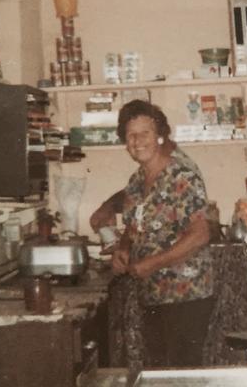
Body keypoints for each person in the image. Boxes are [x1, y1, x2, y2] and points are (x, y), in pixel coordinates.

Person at [95, 99, 215, 368]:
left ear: (160, 135)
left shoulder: (181, 173)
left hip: (185, 295)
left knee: (182, 377)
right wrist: (123, 249)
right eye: (130, 135)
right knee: (160, 373)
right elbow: (134, 225)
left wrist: (151, 263)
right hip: (152, 293)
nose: (137, 141)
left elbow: (200, 233)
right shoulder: (138, 180)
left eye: (144, 133)